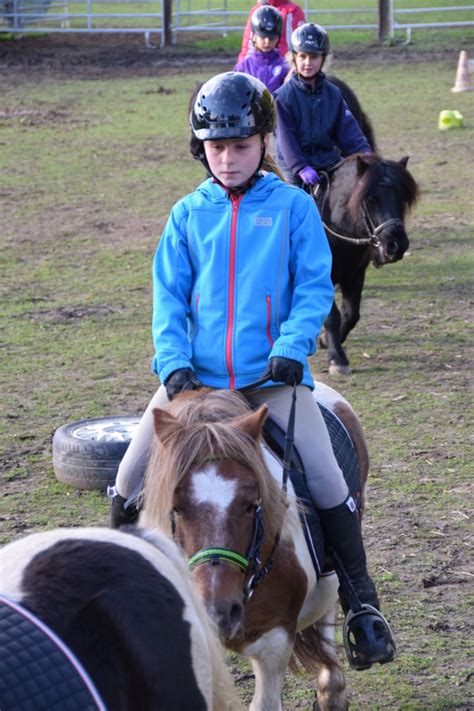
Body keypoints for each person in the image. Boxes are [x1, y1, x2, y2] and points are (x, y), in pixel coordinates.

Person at [109, 71, 395, 669]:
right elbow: (169, 299)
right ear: (201, 149)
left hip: (275, 379)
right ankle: (127, 606)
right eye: (217, 147)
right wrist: (175, 364)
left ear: (264, 143)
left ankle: (363, 611)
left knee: (329, 481)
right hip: (197, 382)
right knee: (128, 481)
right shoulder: (187, 215)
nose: (229, 158)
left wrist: (293, 346)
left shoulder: (292, 208)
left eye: (241, 146)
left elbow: (315, 287)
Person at [274, 23, 372, 188]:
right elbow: (286, 139)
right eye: (303, 56)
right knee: (293, 204)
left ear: (323, 58)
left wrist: (364, 153)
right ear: (294, 57)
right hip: (294, 167)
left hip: (328, 161)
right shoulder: (283, 97)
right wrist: (301, 167)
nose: (308, 62)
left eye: (314, 57)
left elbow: (347, 128)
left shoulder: (333, 93)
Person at [234, 5, 289, 94]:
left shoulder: (285, 67)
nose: (267, 42)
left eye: (271, 38)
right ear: (253, 36)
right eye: (263, 37)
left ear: (278, 38)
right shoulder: (243, 68)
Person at [237, 0, 305, 62]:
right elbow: (249, 44)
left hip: (284, 67)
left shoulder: (293, 11)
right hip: (258, 65)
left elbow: (300, 45)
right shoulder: (257, 10)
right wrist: (243, 67)